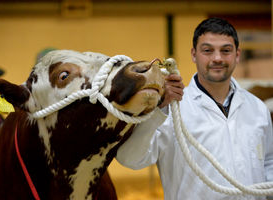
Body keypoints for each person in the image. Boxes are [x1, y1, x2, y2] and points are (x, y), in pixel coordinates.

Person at [116, 17, 273, 200]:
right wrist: (157, 111)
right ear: (193, 54)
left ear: (237, 55)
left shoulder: (257, 108)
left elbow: (269, 161)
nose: (217, 58)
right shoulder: (171, 109)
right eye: (207, 50)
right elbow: (130, 159)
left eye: (226, 51)